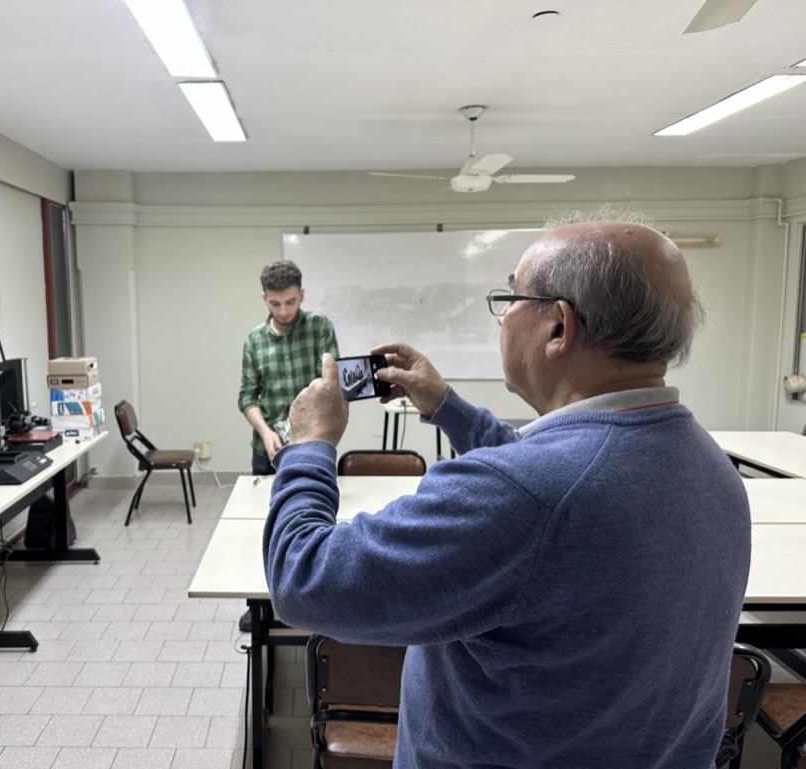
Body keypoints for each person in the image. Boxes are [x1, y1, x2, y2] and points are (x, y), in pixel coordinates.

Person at [263, 216, 751, 769]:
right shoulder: (711, 468)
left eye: (510, 298)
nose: (501, 318)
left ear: (559, 327)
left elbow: (303, 577)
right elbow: (551, 475)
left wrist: (310, 445)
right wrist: (446, 405)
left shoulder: (522, 496)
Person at [238, 260, 339, 475]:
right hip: (268, 448)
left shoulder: (320, 327)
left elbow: (329, 386)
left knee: (313, 497)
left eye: (290, 302)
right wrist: (265, 432)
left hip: (313, 445)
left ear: (301, 295)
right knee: (263, 498)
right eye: (275, 303)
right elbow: (247, 397)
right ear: (264, 298)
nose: (283, 311)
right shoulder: (254, 340)